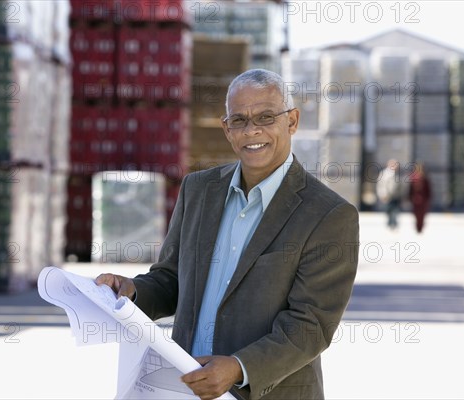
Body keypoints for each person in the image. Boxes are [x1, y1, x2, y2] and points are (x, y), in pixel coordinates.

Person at [96, 69, 360, 400]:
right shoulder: (198, 190)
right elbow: (170, 280)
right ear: (226, 128)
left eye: (266, 117)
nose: (252, 131)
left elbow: (310, 326)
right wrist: (131, 290)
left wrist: (238, 368)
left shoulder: (328, 215)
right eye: (239, 120)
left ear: (291, 121)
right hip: (185, 388)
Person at [376, 159, 403, 230]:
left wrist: (402, 194)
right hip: (387, 195)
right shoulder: (384, 174)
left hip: (396, 195)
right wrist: (382, 194)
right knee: (389, 209)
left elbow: (400, 185)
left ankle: (393, 223)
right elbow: (381, 185)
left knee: (395, 210)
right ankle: (390, 222)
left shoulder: (398, 173)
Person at [409, 162, 432, 233]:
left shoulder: (425, 178)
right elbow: (410, 189)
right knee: (417, 214)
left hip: (423, 199)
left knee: (422, 214)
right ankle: (418, 226)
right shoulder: (413, 178)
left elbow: (428, 189)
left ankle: (420, 227)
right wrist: (409, 197)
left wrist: (429, 197)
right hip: (416, 199)